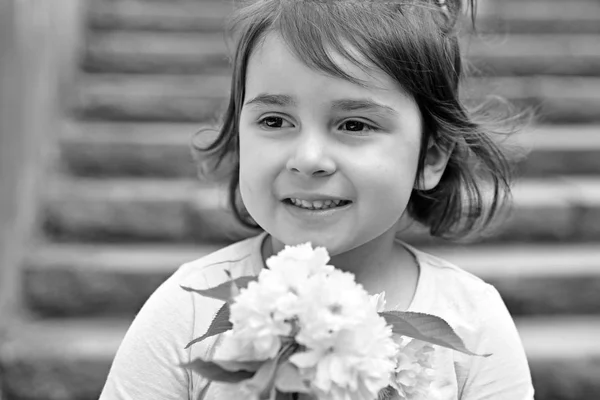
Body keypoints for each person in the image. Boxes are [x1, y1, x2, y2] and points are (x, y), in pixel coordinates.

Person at [99, 0, 534, 398]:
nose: (308, 160)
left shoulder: (472, 324)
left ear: (431, 156)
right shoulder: (188, 309)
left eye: (355, 125)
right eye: (274, 119)